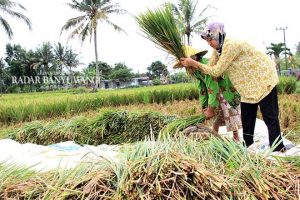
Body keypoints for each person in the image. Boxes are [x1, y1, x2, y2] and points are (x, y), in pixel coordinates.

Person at [180, 22, 285, 151]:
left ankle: (278, 147)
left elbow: (216, 71)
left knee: (269, 115)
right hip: (248, 85)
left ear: (219, 35)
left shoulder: (230, 46)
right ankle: (247, 145)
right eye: (207, 40)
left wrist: (195, 63)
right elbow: (211, 66)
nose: (209, 43)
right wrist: (192, 64)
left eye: (211, 39)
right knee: (247, 116)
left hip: (263, 78)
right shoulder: (218, 49)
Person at [184, 46, 242, 141]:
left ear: (194, 57)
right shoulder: (194, 70)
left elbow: (213, 86)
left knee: (229, 111)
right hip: (214, 92)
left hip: (225, 89)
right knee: (217, 113)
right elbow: (202, 88)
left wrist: (210, 108)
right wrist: (204, 106)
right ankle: (214, 135)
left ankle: (236, 137)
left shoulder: (206, 65)